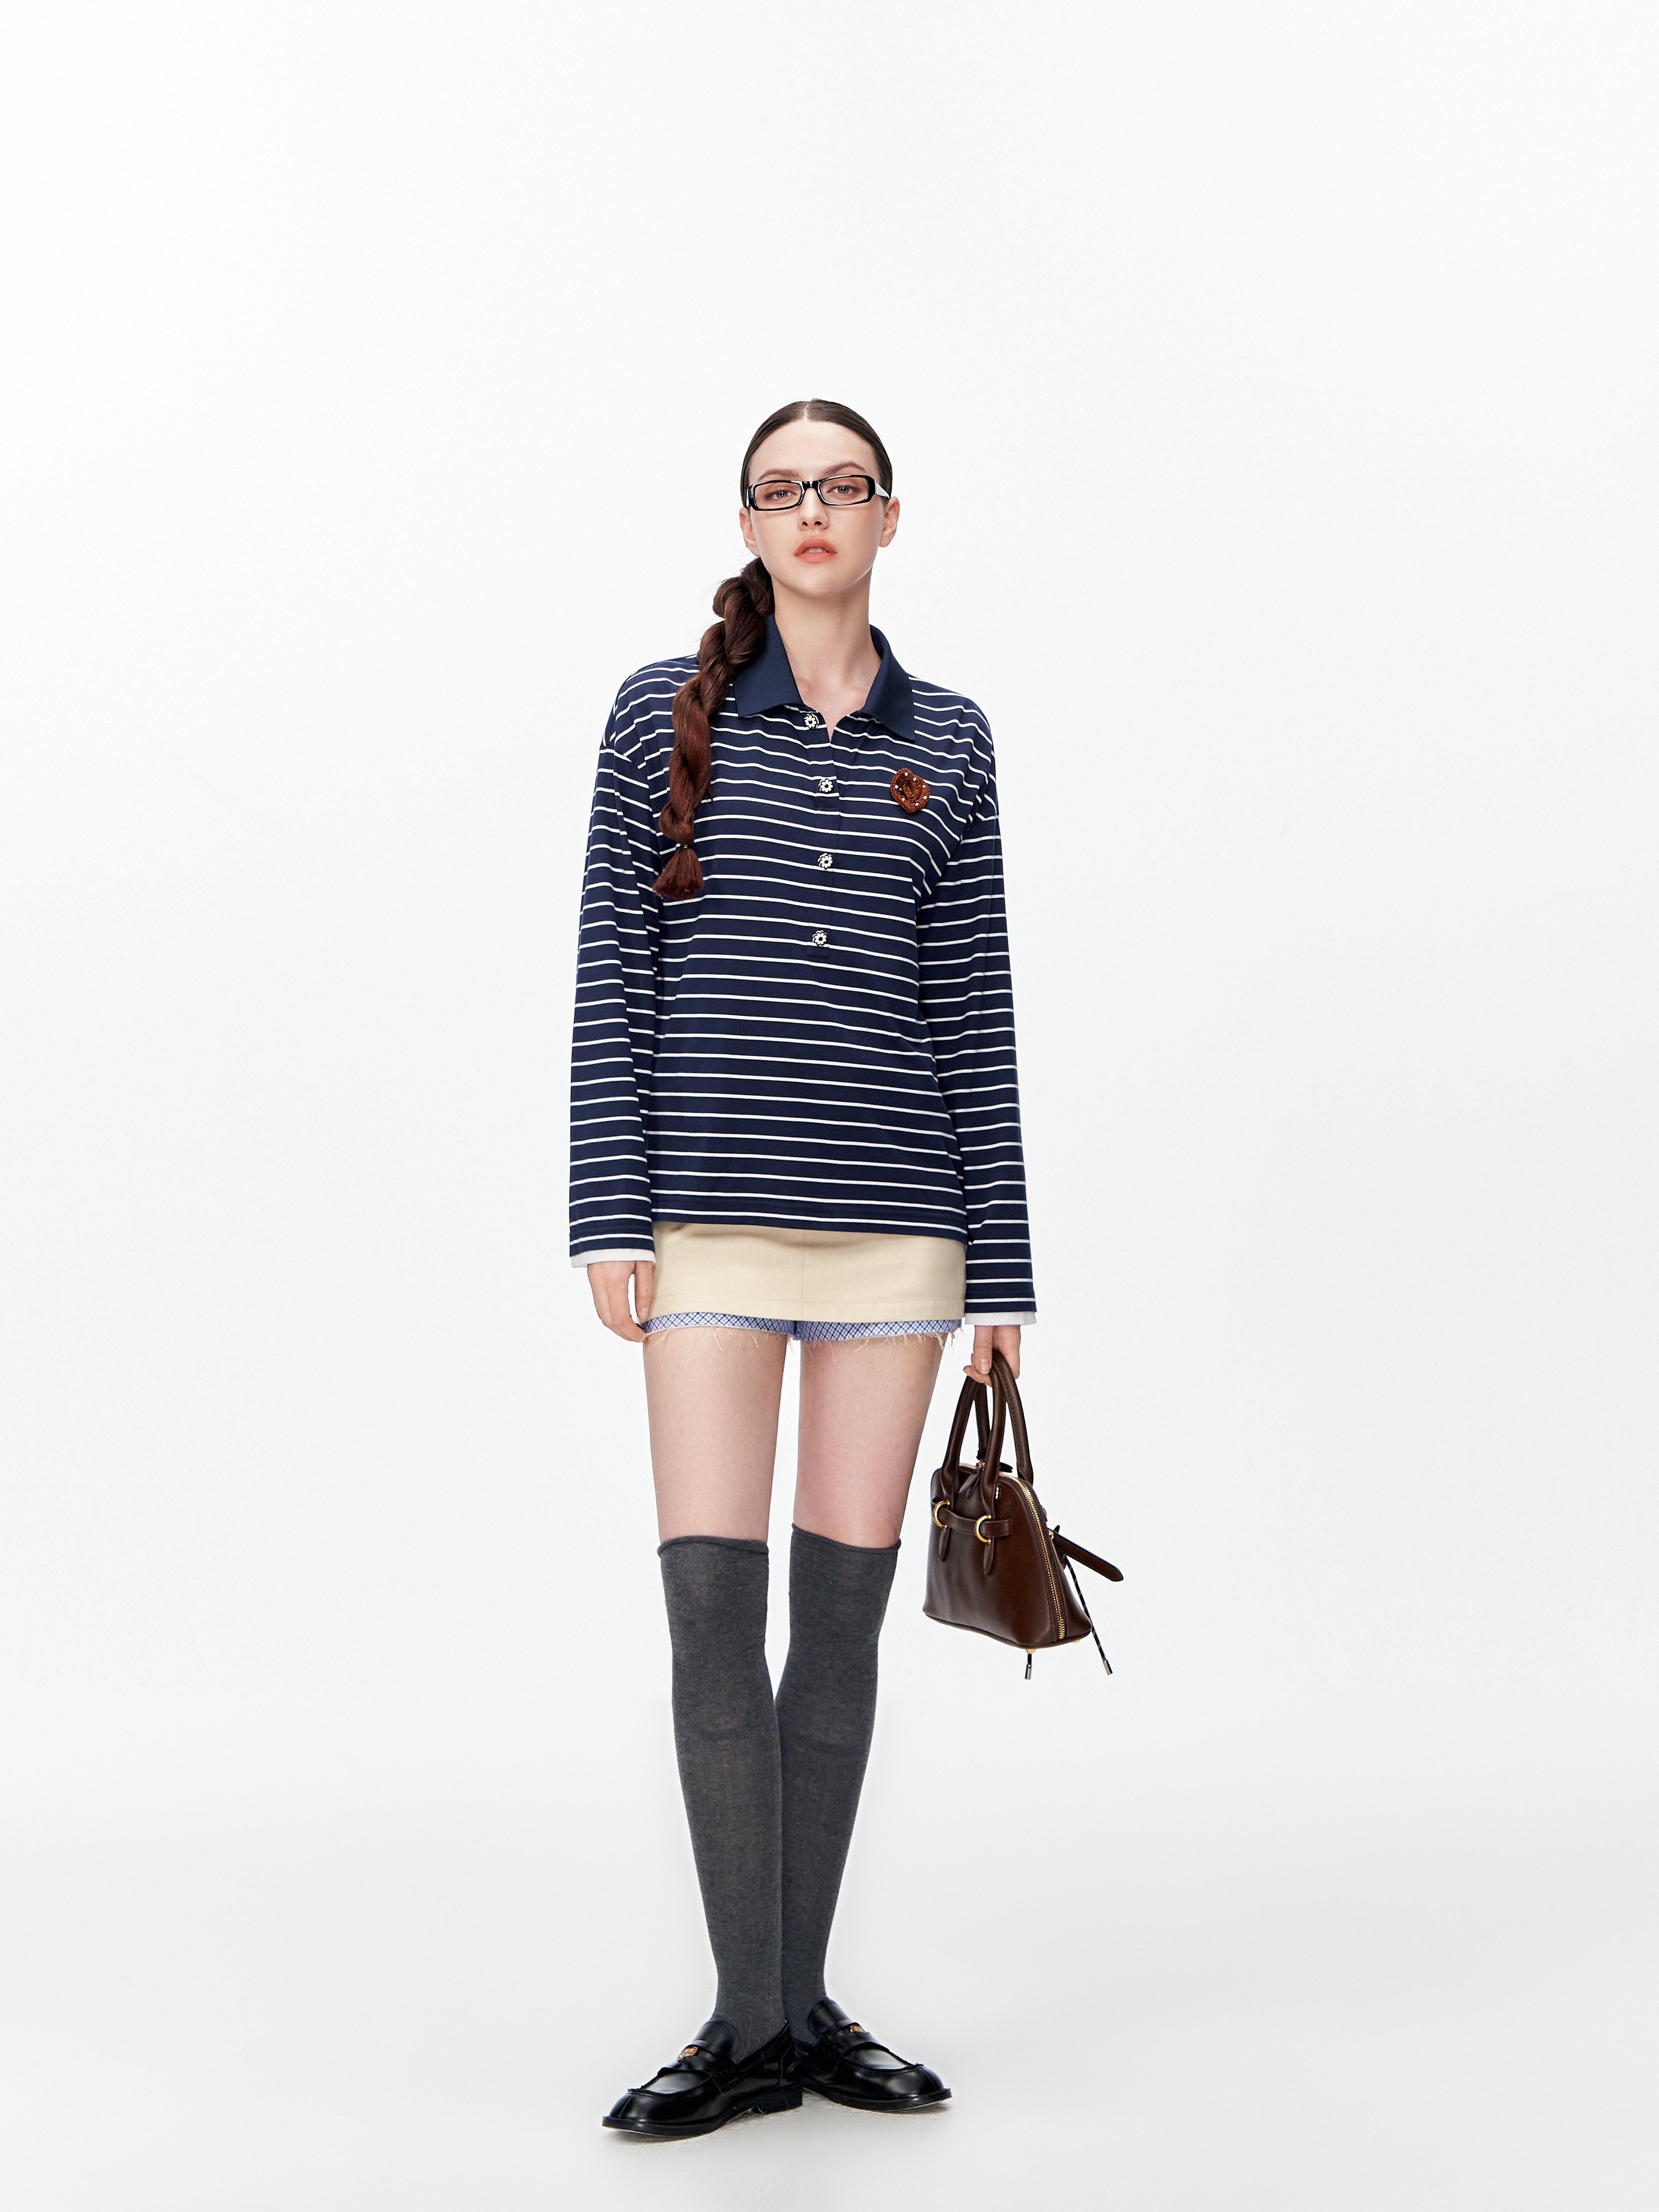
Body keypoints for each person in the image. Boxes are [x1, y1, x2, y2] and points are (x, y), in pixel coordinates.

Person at [571, 398, 1036, 2139]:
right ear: (751, 526)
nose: (813, 510)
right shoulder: (660, 713)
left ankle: (791, 2015)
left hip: (902, 1232)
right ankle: (748, 2022)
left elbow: (974, 1008)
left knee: (838, 1629)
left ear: (889, 517)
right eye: (781, 490)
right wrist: (607, 1208)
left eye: (842, 485)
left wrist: (1005, 1272)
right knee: (714, 1615)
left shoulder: (954, 738)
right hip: (702, 1217)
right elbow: (612, 967)